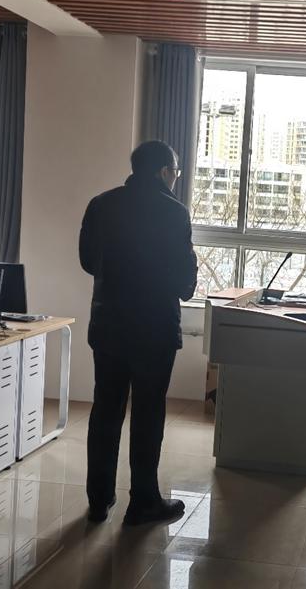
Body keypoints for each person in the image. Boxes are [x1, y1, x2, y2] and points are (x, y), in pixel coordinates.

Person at [79, 140, 198, 525]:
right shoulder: (174, 213)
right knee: (148, 413)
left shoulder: (101, 204)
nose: (176, 177)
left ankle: (99, 499)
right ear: (164, 171)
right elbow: (184, 281)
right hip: (154, 329)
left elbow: (87, 261)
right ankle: (143, 501)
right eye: (175, 171)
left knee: (105, 410)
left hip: (108, 326)